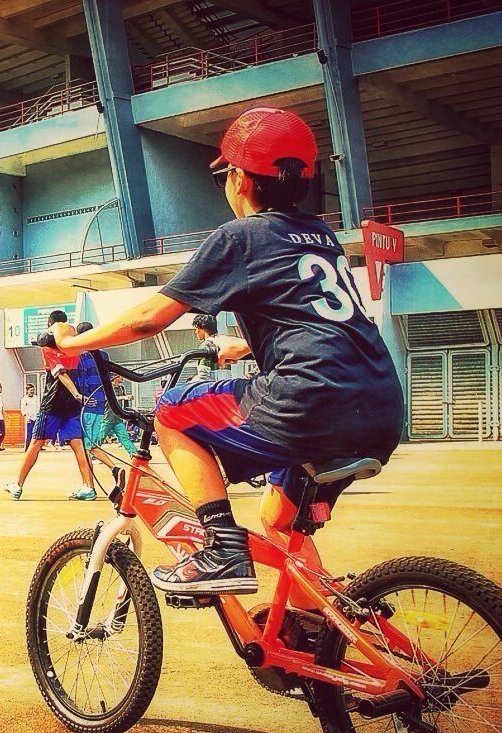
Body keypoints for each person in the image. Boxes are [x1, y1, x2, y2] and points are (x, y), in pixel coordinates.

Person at [49, 106, 404, 595]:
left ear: (239, 178)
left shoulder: (242, 237)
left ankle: (222, 550)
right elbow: (318, 321)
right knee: (279, 520)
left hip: (308, 402)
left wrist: (72, 342)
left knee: (171, 412)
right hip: (380, 404)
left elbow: (148, 319)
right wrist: (247, 346)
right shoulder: (321, 236)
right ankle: (323, 634)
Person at [5, 311, 97, 501]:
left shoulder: (47, 348)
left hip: (54, 402)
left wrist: (77, 394)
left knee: (36, 442)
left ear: (50, 324)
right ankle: (88, 487)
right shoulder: (75, 348)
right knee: (78, 444)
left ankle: (18, 485)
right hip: (72, 404)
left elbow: (60, 374)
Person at [191, 313, 219, 381]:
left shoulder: (206, 346)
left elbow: (203, 375)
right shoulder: (222, 343)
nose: (196, 332)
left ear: (203, 328)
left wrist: (190, 384)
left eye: (197, 328)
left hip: (211, 388)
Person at [19, 383, 39, 453]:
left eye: (33, 390)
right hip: (29, 418)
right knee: (29, 434)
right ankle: (27, 447)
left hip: (36, 418)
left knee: (36, 433)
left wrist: (38, 417)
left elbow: (38, 407)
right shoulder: (24, 399)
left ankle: (36, 447)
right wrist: (26, 417)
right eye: (31, 390)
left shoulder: (36, 398)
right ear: (27, 391)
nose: (32, 391)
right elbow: (23, 409)